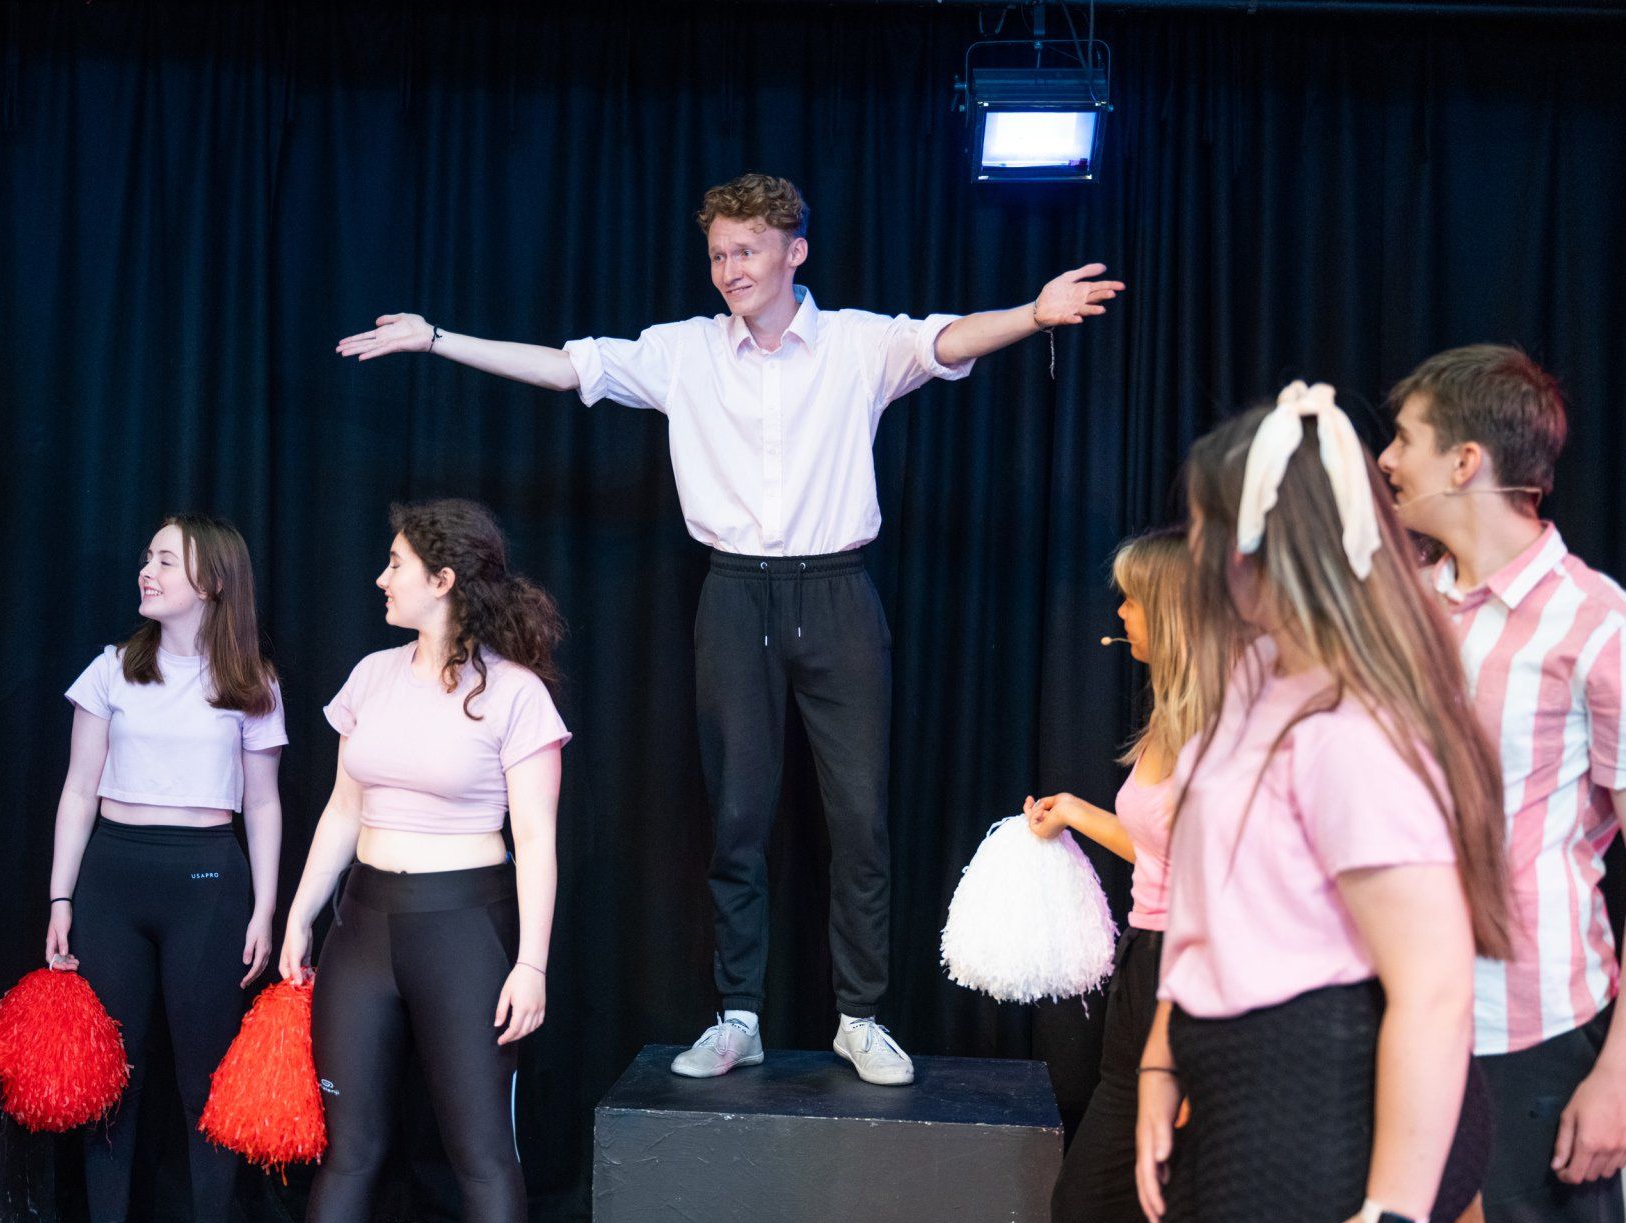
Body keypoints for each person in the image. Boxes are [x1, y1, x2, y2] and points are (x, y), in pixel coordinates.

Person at [338, 173, 1121, 1085]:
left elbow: (945, 340)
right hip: (736, 595)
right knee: (739, 817)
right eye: (717, 254)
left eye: (746, 250)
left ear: (795, 252)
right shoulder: (684, 353)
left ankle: (862, 1017)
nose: (729, 269)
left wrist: (1032, 313)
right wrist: (436, 338)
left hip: (837, 593)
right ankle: (737, 1014)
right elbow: (565, 366)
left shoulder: (858, 343)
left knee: (860, 818)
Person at [1134, 383, 1508, 1223]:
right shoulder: (1256, 676)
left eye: (1204, 527)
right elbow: (1214, 903)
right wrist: (1160, 1059)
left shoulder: (1356, 730)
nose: (1194, 550)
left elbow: (1435, 990)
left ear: (1260, 542)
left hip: (1318, 1099)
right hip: (1240, 1096)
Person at [1378, 344, 1626, 1223]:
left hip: (1531, 1023)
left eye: (1404, 438)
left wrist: (1623, 1074)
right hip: (1394, 1007)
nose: (1386, 460)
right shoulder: (1406, 608)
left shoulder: (1600, 627)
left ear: (1465, 461)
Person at [280, 499, 568, 1223]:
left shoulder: (515, 694)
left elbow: (536, 840)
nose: (381, 578)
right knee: (349, 1151)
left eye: (396, 564)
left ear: (442, 580)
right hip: (363, 928)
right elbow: (343, 810)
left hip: (464, 931)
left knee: (481, 1152)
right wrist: (301, 915)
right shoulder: (371, 677)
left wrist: (531, 965)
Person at [45, 516, 285, 1223]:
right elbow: (78, 789)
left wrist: (266, 908)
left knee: (204, 1074)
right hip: (113, 879)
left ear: (211, 582)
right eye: (146, 556)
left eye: (165, 561)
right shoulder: (112, 669)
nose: (145, 570)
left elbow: (264, 804)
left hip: (208, 882)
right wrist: (60, 897)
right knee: (110, 1068)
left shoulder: (251, 681)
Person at [1024, 527, 1201, 1223]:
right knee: (1102, 1216)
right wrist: (1073, 812)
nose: (1121, 612)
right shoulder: (1172, 713)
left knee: (1109, 1216)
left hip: (1187, 975)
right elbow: (1162, 848)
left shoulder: (1222, 726)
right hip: (1144, 965)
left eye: (1132, 598)